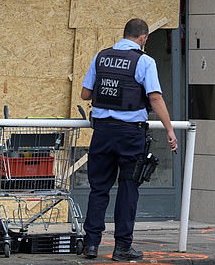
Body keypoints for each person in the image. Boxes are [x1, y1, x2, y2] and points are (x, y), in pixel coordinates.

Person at [80, 18, 178, 261]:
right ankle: (122, 247)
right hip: (129, 133)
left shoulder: (101, 57)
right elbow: (154, 98)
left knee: (98, 188)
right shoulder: (144, 61)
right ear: (143, 38)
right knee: (128, 189)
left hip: (102, 132)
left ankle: (91, 244)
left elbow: (85, 94)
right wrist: (169, 129)